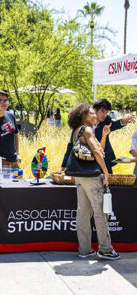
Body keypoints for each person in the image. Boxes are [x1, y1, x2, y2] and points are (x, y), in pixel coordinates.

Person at [67, 103, 120, 260]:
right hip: (91, 175)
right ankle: (105, 249)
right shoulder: (87, 129)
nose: (95, 115)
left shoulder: (76, 131)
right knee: (100, 213)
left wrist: (103, 136)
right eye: (91, 113)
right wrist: (105, 171)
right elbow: (97, 152)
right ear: (83, 116)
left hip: (80, 175)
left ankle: (84, 249)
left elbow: (98, 149)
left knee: (83, 212)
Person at [61, 99, 135, 173]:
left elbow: (114, 125)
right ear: (94, 110)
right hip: (85, 162)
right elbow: (71, 145)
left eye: (106, 112)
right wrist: (63, 167)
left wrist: (123, 121)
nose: (104, 115)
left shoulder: (106, 120)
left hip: (105, 161)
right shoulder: (80, 125)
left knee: (108, 182)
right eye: (102, 111)